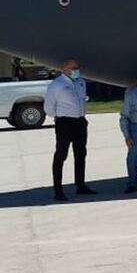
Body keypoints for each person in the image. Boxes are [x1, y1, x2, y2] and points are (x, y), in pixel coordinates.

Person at [43, 59, 95, 201]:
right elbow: (48, 107)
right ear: (65, 69)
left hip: (80, 122)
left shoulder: (81, 82)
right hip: (65, 122)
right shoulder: (57, 85)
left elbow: (82, 100)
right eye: (74, 68)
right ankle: (58, 190)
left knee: (80, 154)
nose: (76, 70)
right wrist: (59, 116)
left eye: (77, 67)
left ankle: (80, 185)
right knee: (61, 154)